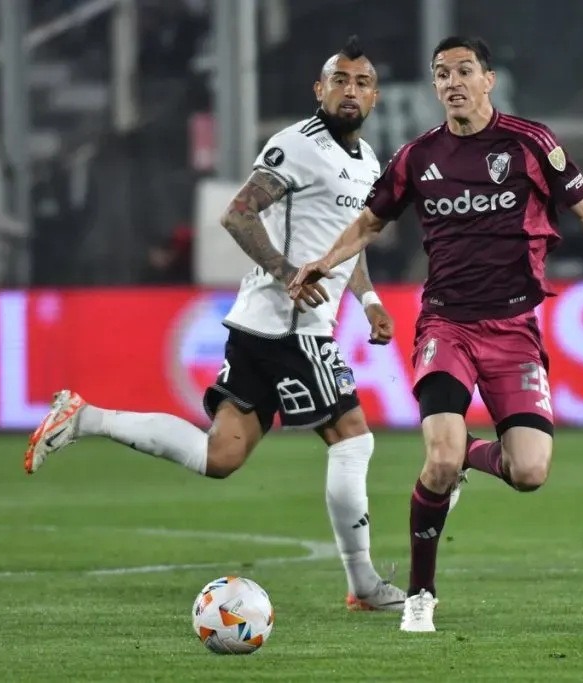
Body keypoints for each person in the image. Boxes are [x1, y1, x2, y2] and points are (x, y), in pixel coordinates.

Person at [24, 36, 408, 613]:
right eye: (339, 80)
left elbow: (346, 242)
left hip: (268, 325)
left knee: (220, 457)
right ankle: (364, 587)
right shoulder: (296, 146)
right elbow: (238, 213)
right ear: (319, 89)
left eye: (360, 83)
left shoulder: (368, 161)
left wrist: (370, 298)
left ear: (374, 96)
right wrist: (284, 274)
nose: (349, 91)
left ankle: (86, 418)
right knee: (352, 437)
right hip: (289, 325)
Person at [290, 36, 583, 633]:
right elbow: (368, 221)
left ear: (488, 80)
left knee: (529, 473)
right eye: (441, 74)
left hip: (515, 332)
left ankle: (470, 457)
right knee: (437, 461)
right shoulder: (418, 157)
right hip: (446, 325)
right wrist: (322, 262)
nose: (452, 82)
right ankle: (421, 594)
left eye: (464, 71)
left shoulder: (530, 143)